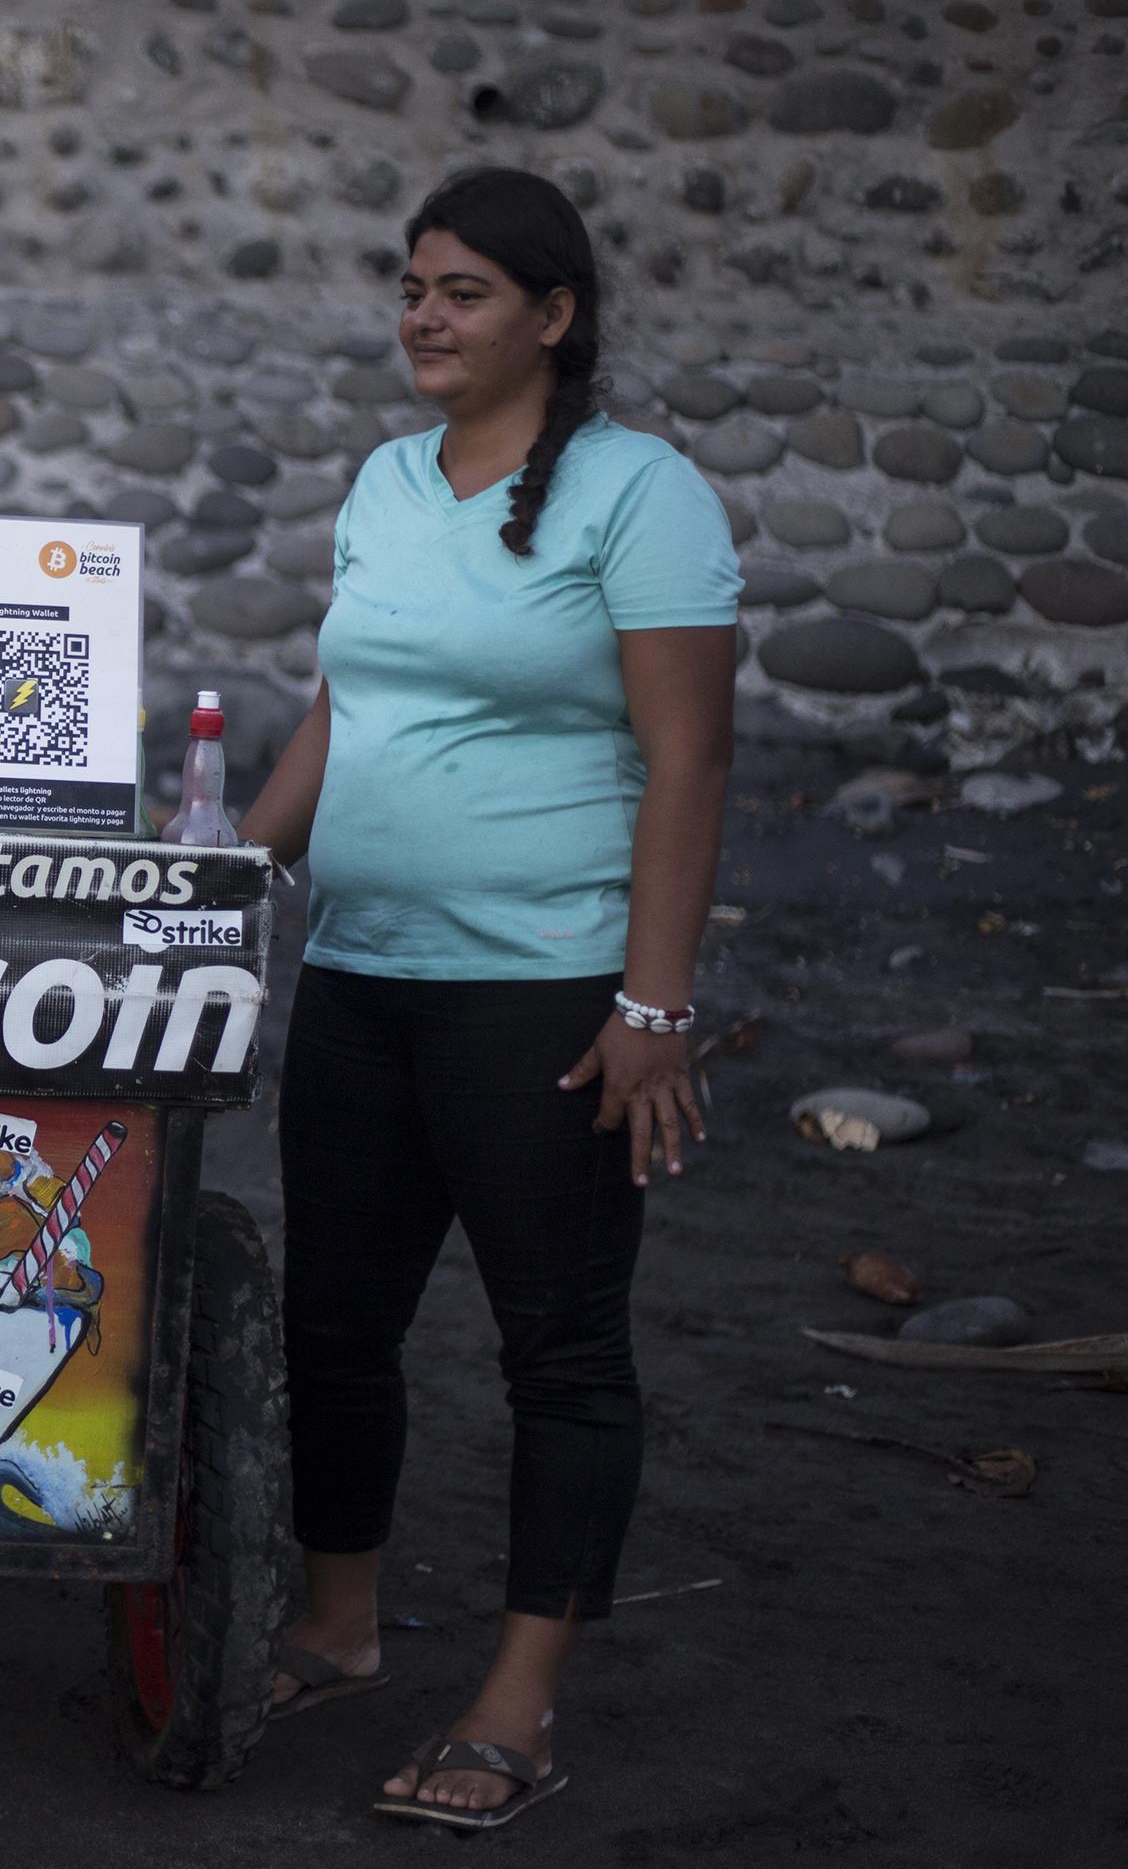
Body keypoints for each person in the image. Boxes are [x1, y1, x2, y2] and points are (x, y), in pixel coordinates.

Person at [236, 166, 740, 1830]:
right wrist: (237, 873)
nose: (424, 316)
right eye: (412, 286)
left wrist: (651, 1010)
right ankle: (338, 1620)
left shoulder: (637, 492)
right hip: (364, 974)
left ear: (554, 314)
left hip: (542, 996)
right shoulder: (387, 483)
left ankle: (519, 1705)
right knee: (335, 1327)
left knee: (561, 1353)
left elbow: (690, 757)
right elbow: (342, 705)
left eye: (461, 290)